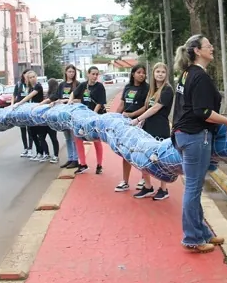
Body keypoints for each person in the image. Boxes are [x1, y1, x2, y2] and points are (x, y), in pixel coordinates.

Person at [172, 35, 227, 253]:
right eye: (208, 45)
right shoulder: (199, 76)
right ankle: (192, 237)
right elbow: (202, 111)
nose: (212, 47)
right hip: (195, 136)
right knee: (193, 188)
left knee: (194, 187)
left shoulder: (186, 74)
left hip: (183, 135)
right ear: (197, 51)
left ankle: (202, 233)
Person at [131, 62, 174, 200]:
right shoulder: (152, 89)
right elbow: (147, 108)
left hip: (160, 128)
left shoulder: (167, 90)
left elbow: (155, 108)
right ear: (153, 74)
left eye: (163, 72)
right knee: (144, 157)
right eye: (157, 72)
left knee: (161, 159)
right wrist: (142, 121)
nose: (160, 74)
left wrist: (137, 119)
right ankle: (148, 186)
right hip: (147, 128)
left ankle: (164, 189)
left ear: (166, 74)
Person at [111, 64, 149, 192]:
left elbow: (146, 106)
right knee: (125, 152)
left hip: (140, 121)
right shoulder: (128, 87)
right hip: (126, 122)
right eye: (139, 72)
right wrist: (115, 118)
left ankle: (144, 179)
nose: (141, 75)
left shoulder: (147, 88)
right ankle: (125, 181)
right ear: (133, 74)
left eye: (143, 73)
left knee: (140, 151)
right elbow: (122, 104)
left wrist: (133, 115)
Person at [69, 66, 106, 175]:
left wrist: (92, 115)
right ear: (88, 74)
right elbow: (73, 93)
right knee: (78, 138)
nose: (95, 76)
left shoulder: (100, 87)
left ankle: (99, 165)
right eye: (93, 74)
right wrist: (70, 101)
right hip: (83, 116)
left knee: (96, 140)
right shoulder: (83, 85)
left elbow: (100, 103)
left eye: (96, 74)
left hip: (95, 116)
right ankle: (83, 164)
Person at [12, 70, 49, 161]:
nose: (32, 79)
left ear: (36, 77)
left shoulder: (38, 86)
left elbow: (29, 97)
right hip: (31, 113)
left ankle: (46, 153)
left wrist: (19, 103)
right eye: (30, 77)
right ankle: (39, 152)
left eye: (33, 77)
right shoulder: (29, 87)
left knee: (41, 135)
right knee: (33, 134)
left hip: (38, 112)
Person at [51, 65, 80, 168]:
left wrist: (67, 101)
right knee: (67, 137)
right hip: (63, 113)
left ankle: (76, 159)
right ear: (66, 73)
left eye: (73, 72)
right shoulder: (62, 85)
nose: (71, 73)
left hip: (72, 113)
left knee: (73, 137)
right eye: (69, 71)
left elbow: (80, 99)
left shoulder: (77, 84)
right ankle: (70, 158)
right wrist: (51, 102)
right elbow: (55, 97)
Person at [40, 78, 61, 164]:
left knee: (50, 138)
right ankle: (49, 154)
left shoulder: (55, 94)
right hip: (47, 119)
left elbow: (49, 101)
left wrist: (40, 104)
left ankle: (53, 155)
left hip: (50, 119)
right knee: (44, 137)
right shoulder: (48, 93)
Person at [14, 71, 34, 158]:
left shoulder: (31, 86)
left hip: (28, 109)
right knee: (22, 130)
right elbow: (14, 95)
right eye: (25, 75)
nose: (26, 76)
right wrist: (13, 104)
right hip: (20, 110)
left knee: (29, 130)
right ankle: (25, 148)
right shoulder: (19, 84)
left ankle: (30, 148)